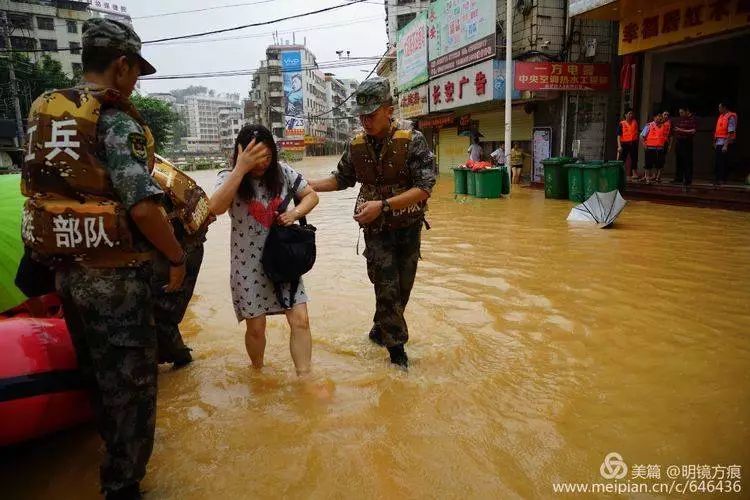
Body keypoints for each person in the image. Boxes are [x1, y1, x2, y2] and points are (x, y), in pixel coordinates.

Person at [21, 18, 186, 500]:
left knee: (97, 374)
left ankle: (108, 460)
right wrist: (175, 256)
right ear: (120, 65)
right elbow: (140, 204)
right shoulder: (114, 120)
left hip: (67, 274)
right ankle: (123, 484)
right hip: (115, 279)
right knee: (133, 389)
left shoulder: (48, 114)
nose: (135, 81)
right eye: (135, 70)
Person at [308, 78, 436, 369]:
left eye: (372, 114)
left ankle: (379, 332)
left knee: (401, 291)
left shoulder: (412, 139)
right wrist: (306, 185)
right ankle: (398, 357)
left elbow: (425, 187)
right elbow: (341, 179)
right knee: (388, 289)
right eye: (361, 115)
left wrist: (385, 205)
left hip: (409, 228)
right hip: (376, 232)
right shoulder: (356, 145)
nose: (365, 120)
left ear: (388, 110)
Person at [208, 124, 319, 376]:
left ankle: (305, 378)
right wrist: (241, 168)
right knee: (256, 328)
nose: (263, 164)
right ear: (241, 154)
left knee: (300, 320)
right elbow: (214, 207)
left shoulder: (283, 172)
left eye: (267, 157)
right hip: (248, 266)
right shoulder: (229, 176)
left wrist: (295, 213)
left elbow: (311, 195)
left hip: (283, 260)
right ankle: (257, 372)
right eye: (256, 158)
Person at [150, 156, 214, 369]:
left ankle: (181, 362)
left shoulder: (134, 171)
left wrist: (177, 261)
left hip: (181, 248)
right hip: (178, 246)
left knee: (161, 315)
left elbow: (145, 215)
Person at [640, 111, 669, 184]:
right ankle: (647, 178)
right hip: (650, 148)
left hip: (660, 148)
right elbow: (641, 136)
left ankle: (657, 177)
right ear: (654, 117)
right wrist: (644, 144)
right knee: (648, 164)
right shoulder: (649, 125)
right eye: (658, 116)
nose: (659, 118)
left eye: (660, 117)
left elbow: (666, 137)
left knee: (660, 164)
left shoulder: (664, 126)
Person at [672, 106, 697, 186]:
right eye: (679, 113)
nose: (680, 114)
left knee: (687, 161)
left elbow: (693, 131)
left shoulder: (692, 119)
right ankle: (678, 178)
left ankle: (688, 179)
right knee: (679, 160)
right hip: (679, 141)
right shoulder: (681, 119)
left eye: (682, 112)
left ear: (687, 111)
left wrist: (681, 130)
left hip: (686, 142)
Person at [714, 102, 737, 186]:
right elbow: (718, 131)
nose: (718, 109)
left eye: (720, 107)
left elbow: (730, 132)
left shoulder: (730, 117)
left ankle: (722, 179)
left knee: (723, 162)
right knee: (718, 162)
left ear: (724, 107)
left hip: (725, 142)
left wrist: (725, 145)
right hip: (719, 142)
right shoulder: (721, 116)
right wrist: (715, 142)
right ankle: (718, 179)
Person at [617, 109, 639, 181]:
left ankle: (634, 173)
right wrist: (619, 146)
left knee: (634, 158)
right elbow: (619, 135)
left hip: (633, 143)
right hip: (625, 143)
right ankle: (620, 173)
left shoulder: (635, 122)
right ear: (625, 115)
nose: (631, 115)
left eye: (632, 114)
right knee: (622, 159)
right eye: (629, 114)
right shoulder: (622, 123)